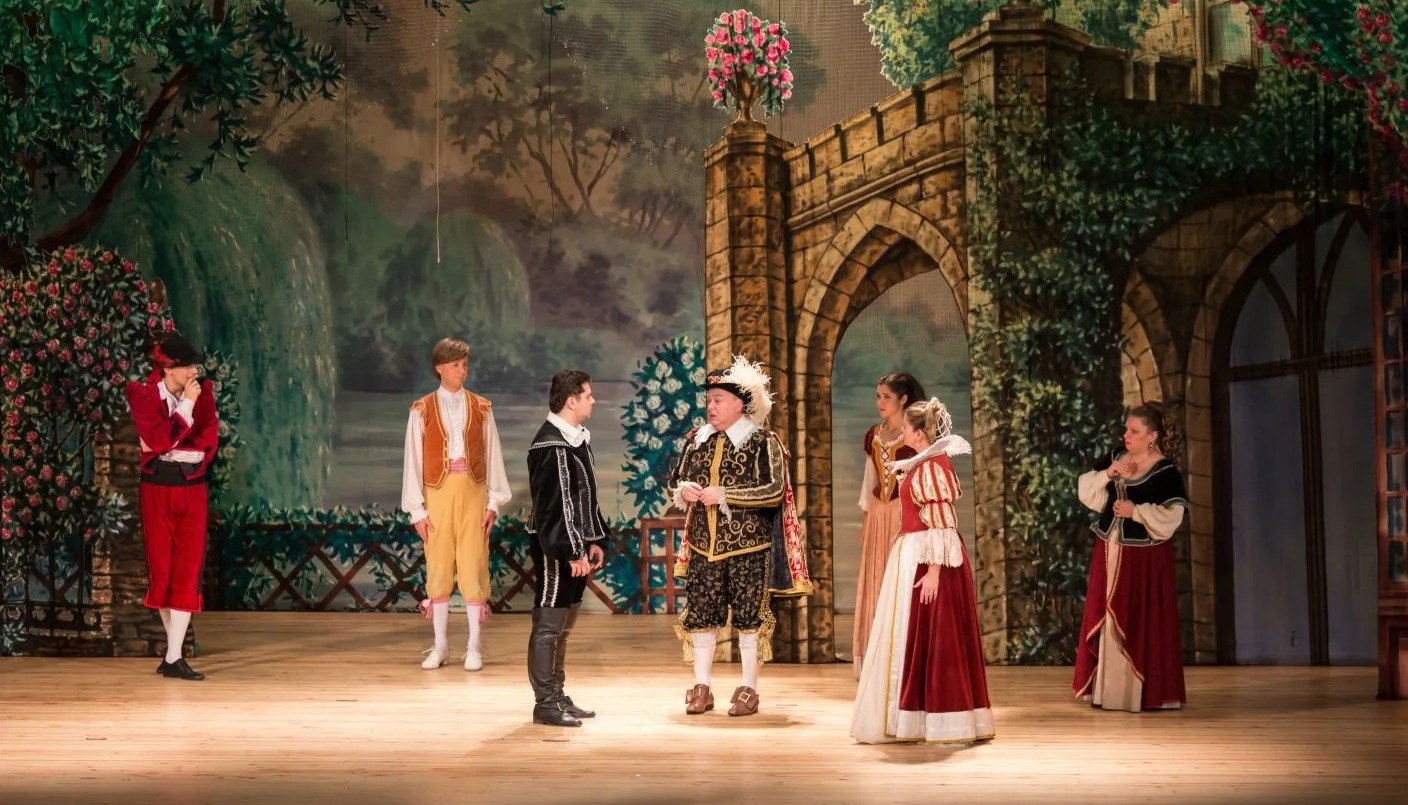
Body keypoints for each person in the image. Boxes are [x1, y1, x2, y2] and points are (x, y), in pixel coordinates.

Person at [668, 355, 811, 718]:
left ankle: (749, 688)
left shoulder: (763, 441)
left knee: (749, 619)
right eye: (709, 400)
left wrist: (727, 495)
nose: (711, 407)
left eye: (718, 400)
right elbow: (676, 479)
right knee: (701, 615)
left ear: (739, 403)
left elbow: (774, 490)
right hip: (703, 545)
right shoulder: (697, 440)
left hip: (749, 546)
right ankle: (702, 687)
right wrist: (684, 490)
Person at [850, 398, 994, 745]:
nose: (901, 432)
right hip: (916, 551)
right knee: (915, 635)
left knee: (936, 635)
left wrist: (933, 571)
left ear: (918, 433)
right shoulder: (926, 461)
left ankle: (941, 720)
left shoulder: (932, 466)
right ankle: (914, 719)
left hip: (929, 555)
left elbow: (942, 522)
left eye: (906, 428)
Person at [401, 338, 511, 671]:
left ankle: (474, 647)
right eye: (455, 365)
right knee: (438, 566)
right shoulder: (422, 409)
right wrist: (417, 510)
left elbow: (492, 455)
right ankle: (440, 646)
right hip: (438, 494)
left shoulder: (481, 408)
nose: (462, 371)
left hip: (473, 493)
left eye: (464, 365)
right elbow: (413, 461)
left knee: (473, 564)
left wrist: (493, 502)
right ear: (440, 368)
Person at [1074, 401, 1189, 712]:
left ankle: (1139, 694)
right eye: (1126, 429)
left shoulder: (1164, 471)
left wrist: (1135, 511)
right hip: (1109, 549)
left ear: (1152, 436)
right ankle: (1109, 693)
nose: (1126, 435)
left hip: (1143, 559)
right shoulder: (1117, 456)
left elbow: (1173, 516)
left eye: (1134, 431)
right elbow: (1087, 491)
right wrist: (1108, 474)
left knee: (1137, 618)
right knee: (1107, 617)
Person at [124, 334, 219, 681]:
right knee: (162, 568)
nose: (195, 371)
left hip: (191, 489)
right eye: (188, 366)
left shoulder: (203, 393)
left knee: (187, 568)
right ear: (168, 368)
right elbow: (160, 439)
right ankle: (173, 656)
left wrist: (168, 446)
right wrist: (184, 411)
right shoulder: (143, 395)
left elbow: (207, 441)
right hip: (157, 491)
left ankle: (173, 656)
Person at [525, 370, 610, 727]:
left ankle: (557, 695)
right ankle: (546, 702)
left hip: (575, 545)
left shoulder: (575, 440)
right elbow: (553, 508)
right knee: (549, 622)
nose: (593, 401)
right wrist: (572, 550)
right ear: (571, 401)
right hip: (555, 546)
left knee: (564, 624)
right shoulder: (550, 445)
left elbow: (584, 498)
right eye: (588, 395)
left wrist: (594, 539)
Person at [853, 373, 925, 677]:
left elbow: (925, 477)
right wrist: (866, 518)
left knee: (900, 579)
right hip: (878, 513)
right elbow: (869, 479)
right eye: (878, 396)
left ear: (903, 399)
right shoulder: (874, 435)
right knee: (876, 578)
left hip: (903, 512)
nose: (880, 402)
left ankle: (902, 657)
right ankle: (875, 658)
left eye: (887, 397)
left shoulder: (915, 435)